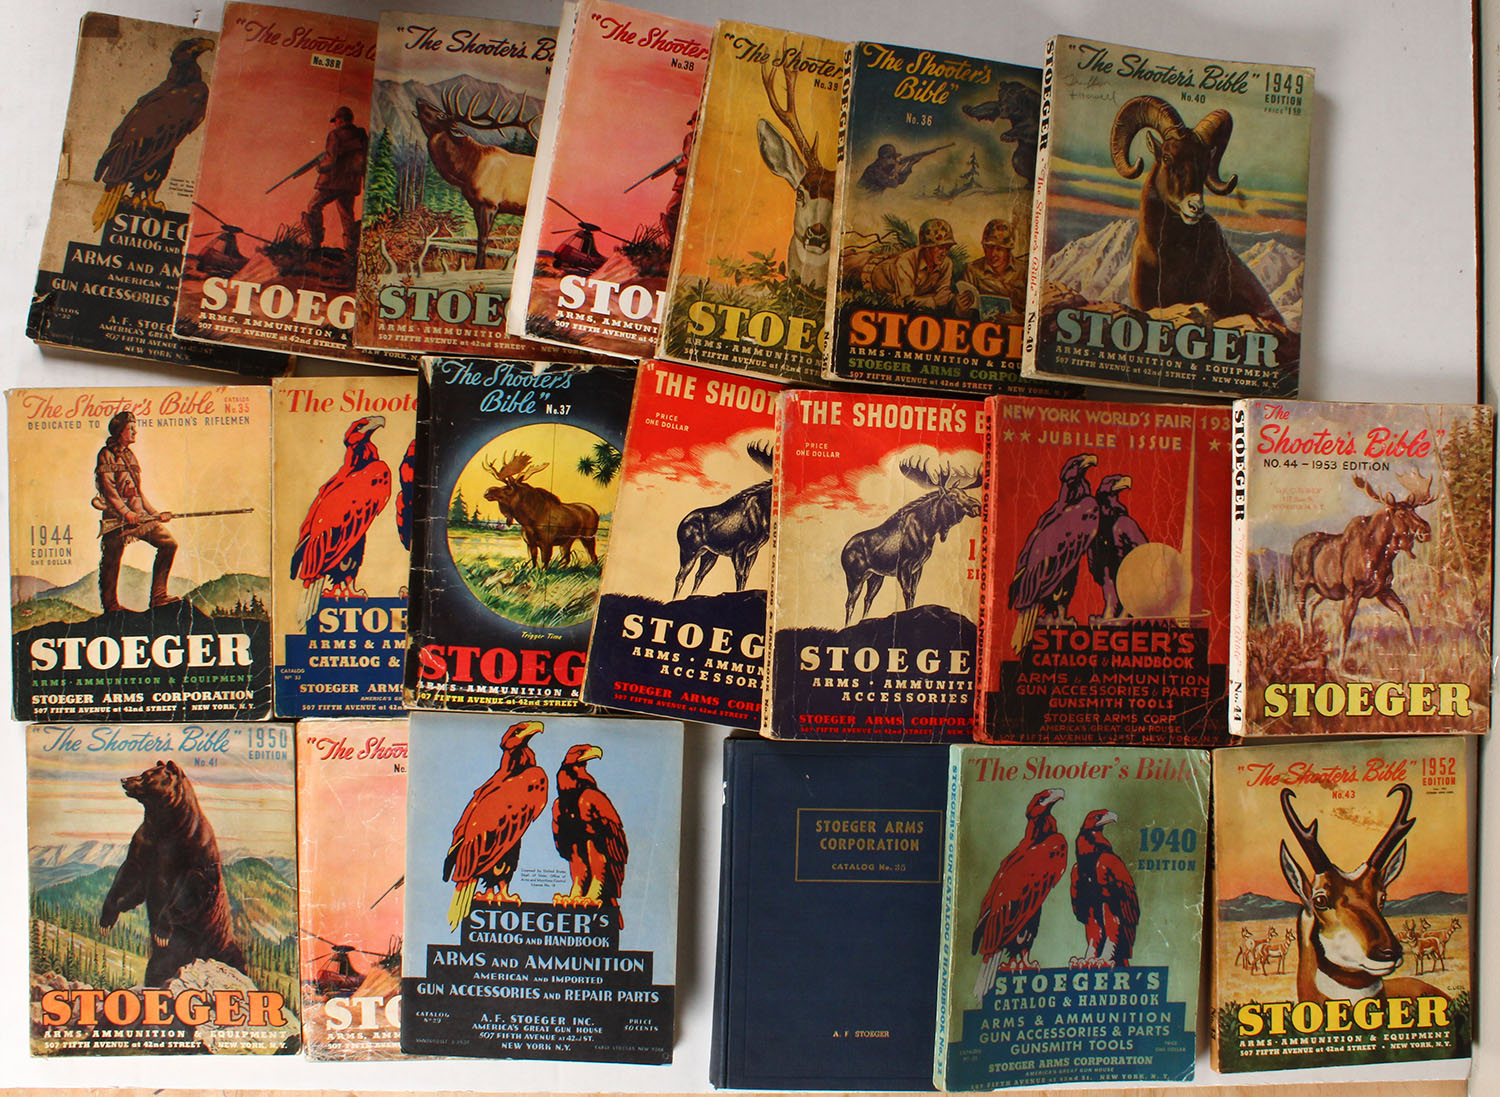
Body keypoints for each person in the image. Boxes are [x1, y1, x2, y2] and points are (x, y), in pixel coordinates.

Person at [95, 410, 175, 613]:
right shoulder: (106, 455)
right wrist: (125, 512)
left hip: (139, 517)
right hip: (117, 519)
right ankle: (110, 607)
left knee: (169, 544)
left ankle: (158, 597)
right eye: (130, 428)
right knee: (111, 559)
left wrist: (157, 514)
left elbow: (137, 492)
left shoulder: (130, 455)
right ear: (119, 431)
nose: (135, 432)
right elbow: (109, 490)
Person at [301, 105, 368, 253]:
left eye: (336, 121)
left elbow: (330, 161)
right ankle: (351, 250)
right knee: (347, 214)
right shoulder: (361, 135)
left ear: (341, 120)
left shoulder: (335, 135)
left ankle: (314, 244)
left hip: (333, 182)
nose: (335, 124)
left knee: (314, 206)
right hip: (351, 183)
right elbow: (366, 160)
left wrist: (319, 167)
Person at [865, 217, 958, 310]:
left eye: (947, 248)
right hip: (879, 278)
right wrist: (932, 301)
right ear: (927, 247)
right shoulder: (905, 261)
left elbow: (943, 294)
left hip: (913, 291)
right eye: (940, 247)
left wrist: (954, 300)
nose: (944, 253)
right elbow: (905, 301)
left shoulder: (946, 263)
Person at [959, 218, 1025, 317]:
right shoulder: (972, 270)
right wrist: (960, 308)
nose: (993, 254)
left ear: (1008, 250)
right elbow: (965, 315)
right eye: (989, 247)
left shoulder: (1024, 271)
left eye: (999, 249)